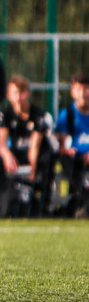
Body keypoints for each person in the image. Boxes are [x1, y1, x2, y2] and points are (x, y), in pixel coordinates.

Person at [0, 75, 54, 217]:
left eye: (21, 93)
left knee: (48, 158)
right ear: (8, 95)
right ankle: (0, 202)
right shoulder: (6, 114)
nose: (18, 97)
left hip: (34, 154)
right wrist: (7, 155)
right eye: (14, 93)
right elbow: (2, 144)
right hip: (16, 154)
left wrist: (33, 167)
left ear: (27, 93)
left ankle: (44, 205)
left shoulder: (38, 115)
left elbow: (35, 145)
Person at [56, 72, 89, 218]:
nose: (83, 93)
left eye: (86, 89)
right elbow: (61, 146)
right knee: (67, 160)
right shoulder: (67, 114)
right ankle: (85, 200)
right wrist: (67, 151)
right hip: (76, 158)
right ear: (72, 92)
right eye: (79, 89)